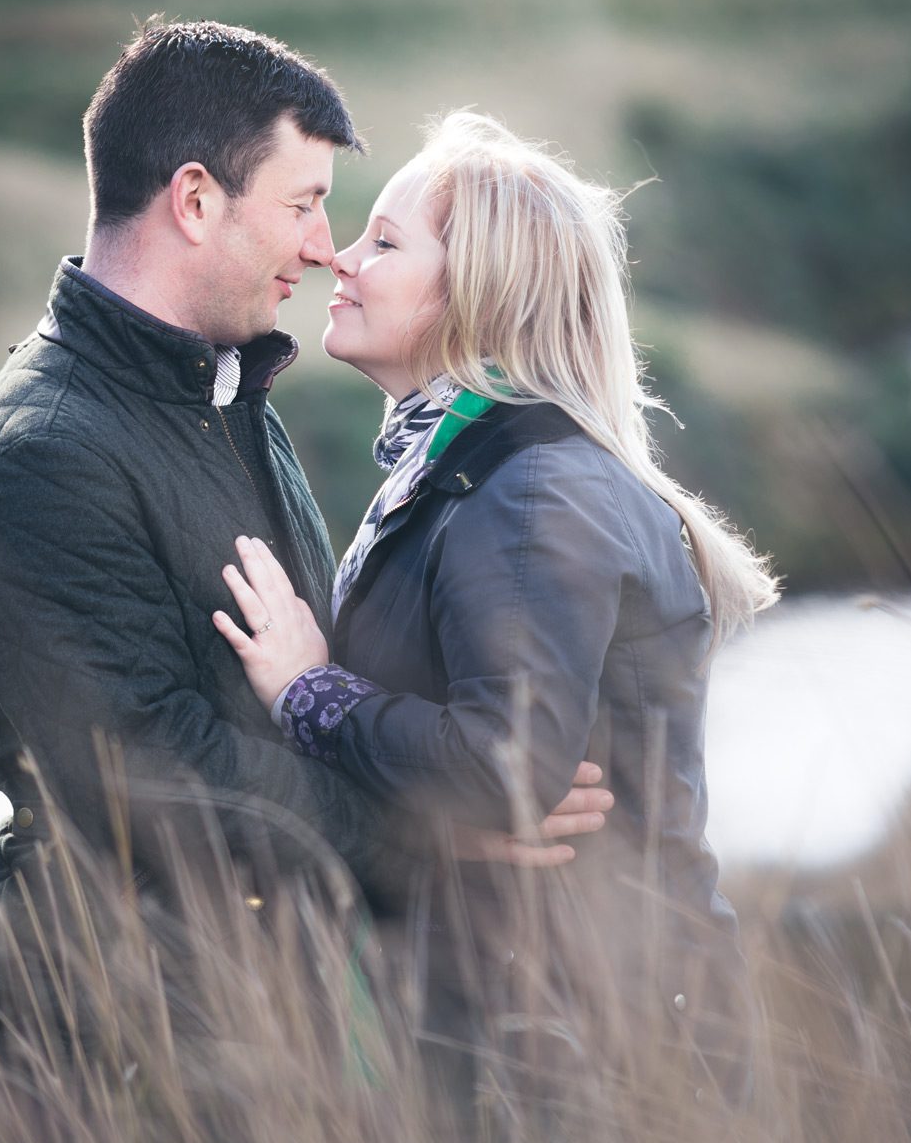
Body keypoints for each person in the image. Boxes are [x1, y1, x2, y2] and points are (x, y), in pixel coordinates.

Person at [0, 24, 610, 1044]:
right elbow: (149, 776)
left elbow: (283, 700)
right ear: (195, 200)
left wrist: (479, 763)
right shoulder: (41, 456)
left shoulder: (223, 392)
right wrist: (430, 832)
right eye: (299, 204)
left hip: (246, 1024)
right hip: (97, 1047)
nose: (322, 246)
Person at [212, 110, 779, 1085]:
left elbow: (504, 770)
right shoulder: (462, 466)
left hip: (599, 1045)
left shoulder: (530, 495)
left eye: (384, 242)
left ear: (479, 288)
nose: (337, 259)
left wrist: (309, 694)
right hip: (526, 1027)